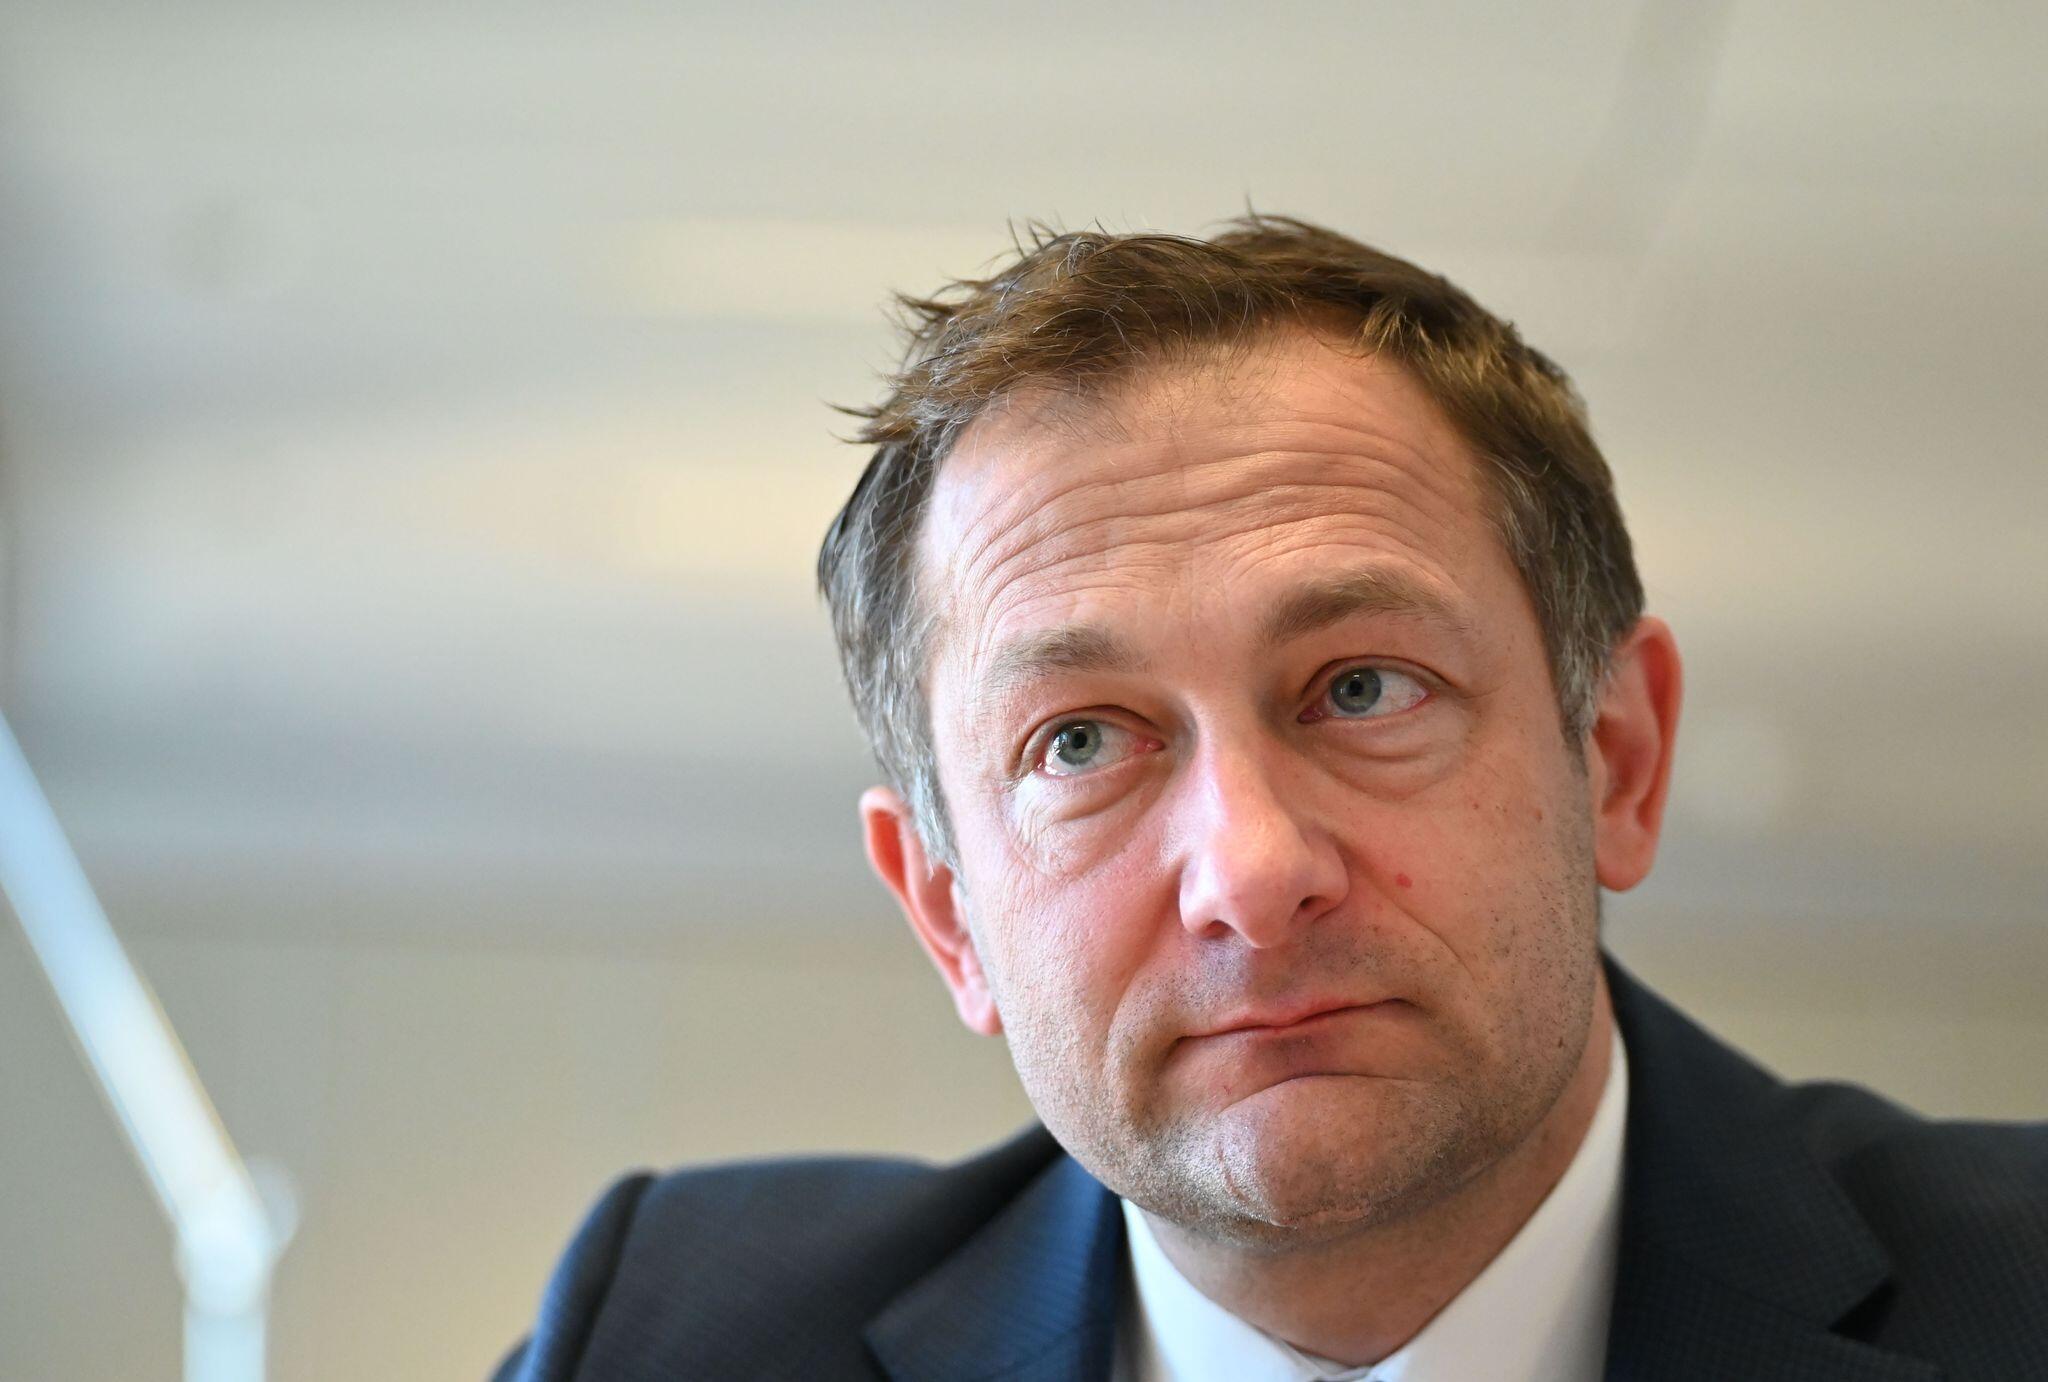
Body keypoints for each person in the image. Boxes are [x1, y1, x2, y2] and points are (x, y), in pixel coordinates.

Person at [494, 217, 2046, 1381]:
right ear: (948, 909)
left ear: (1616, 758)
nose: (1248, 868)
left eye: (1362, 687)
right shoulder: (664, 1337)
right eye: (1080, 743)